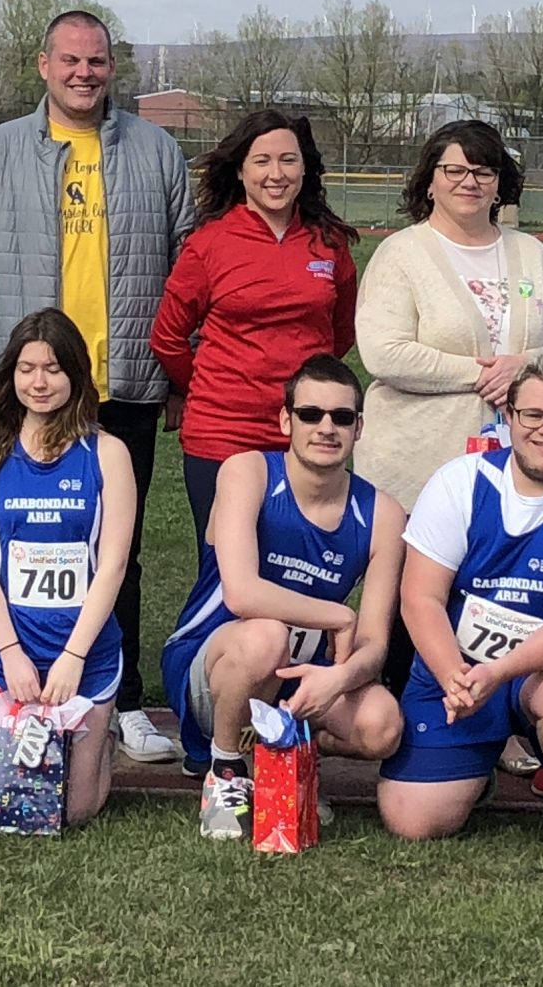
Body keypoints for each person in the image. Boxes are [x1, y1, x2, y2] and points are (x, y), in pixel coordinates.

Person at [0, 10, 192, 764]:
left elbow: (187, 271)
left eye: (98, 61)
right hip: (27, 386)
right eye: (71, 60)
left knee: (117, 549)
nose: (85, 72)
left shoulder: (155, 151)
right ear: (43, 65)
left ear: (113, 67)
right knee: (17, 538)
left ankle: (112, 696)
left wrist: (181, 375)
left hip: (125, 387)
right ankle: (15, 672)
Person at [376, 353, 543, 863]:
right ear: (510, 419)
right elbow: (420, 598)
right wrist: (456, 676)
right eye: (534, 415)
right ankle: (473, 770)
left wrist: (496, 673)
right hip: (454, 669)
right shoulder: (460, 480)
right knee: (413, 820)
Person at [160, 354, 404, 840]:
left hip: (301, 675)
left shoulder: (383, 514)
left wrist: (338, 679)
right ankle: (226, 771)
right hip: (216, 663)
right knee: (267, 638)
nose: (326, 427)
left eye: (342, 417)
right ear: (285, 420)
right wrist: (335, 614)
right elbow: (242, 592)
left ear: (359, 428)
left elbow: (374, 640)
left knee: (383, 725)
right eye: (310, 414)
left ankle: (288, 755)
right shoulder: (247, 472)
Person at [0, 309, 137, 828]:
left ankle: (100, 744)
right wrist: (12, 654)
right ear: (10, 375)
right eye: (27, 368)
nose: (39, 382)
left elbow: (114, 564)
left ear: (76, 376)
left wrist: (73, 657)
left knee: (72, 812)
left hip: (82, 651)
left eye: (54, 368)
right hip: (6, 649)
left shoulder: (108, 454)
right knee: (6, 801)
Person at [150, 110, 359, 548]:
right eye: (262, 161)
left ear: (305, 168)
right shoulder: (210, 243)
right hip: (222, 435)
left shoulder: (329, 243)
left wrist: (305, 391)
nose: (276, 174)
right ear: (241, 170)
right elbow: (168, 337)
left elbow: (340, 335)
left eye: (288, 160)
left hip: (305, 433)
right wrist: (212, 388)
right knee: (225, 571)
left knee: (299, 566)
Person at [354, 119, 543, 511]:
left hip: (516, 470)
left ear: (499, 184)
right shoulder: (401, 254)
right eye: (454, 170)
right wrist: (480, 374)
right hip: (415, 468)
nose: (469, 182)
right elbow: (384, 353)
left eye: (483, 171)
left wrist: (522, 368)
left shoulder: (532, 254)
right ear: (430, 181)